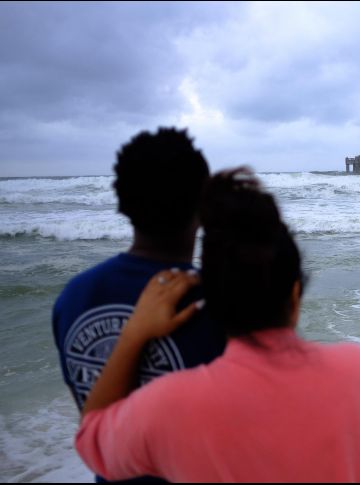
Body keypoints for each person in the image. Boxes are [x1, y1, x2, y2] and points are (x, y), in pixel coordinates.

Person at [74, 168, 360, 482]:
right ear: (294, 292)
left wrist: (134, 333)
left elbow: (93, 441)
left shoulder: (170, 405)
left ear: (212, 299)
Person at [52, 128, 227, 482]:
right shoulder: (222, 306)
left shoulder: (73, 297)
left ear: (121, 204)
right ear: (202, 207)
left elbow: (92, 418)